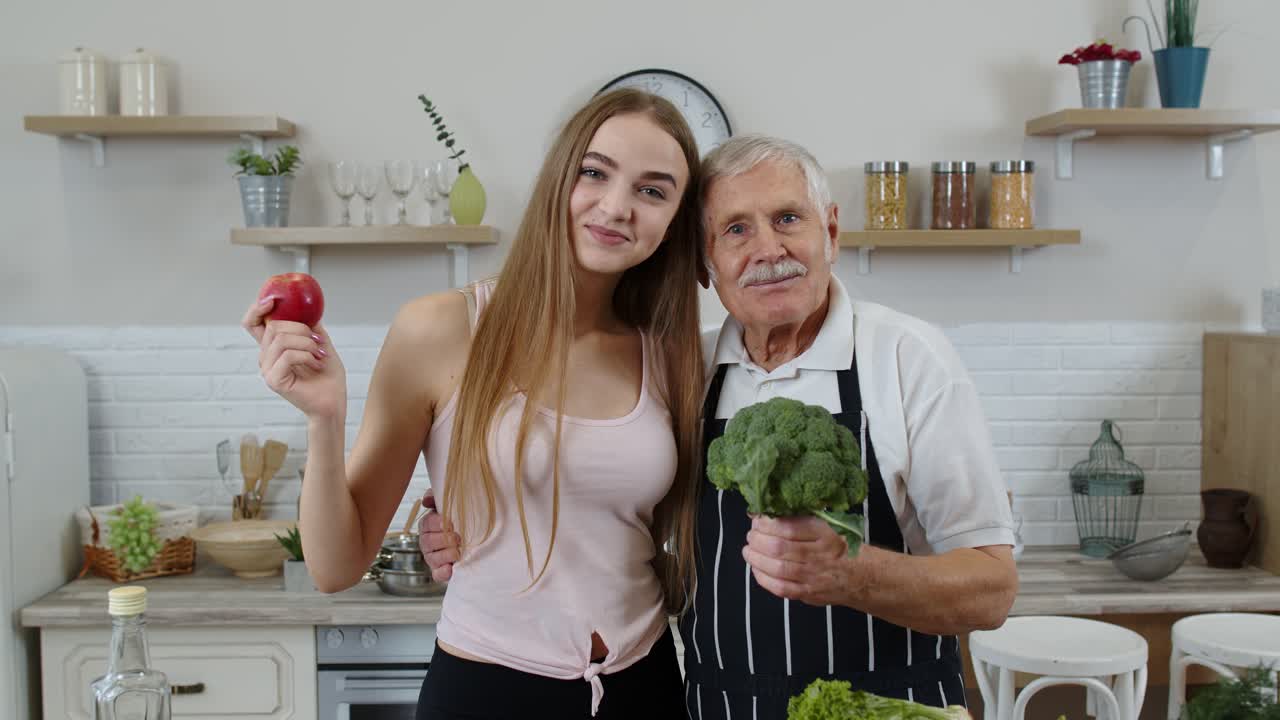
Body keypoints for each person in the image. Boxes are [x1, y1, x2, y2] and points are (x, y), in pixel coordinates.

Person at [421, 134, 1019, 718]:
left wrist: (851, 574)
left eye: (788, 218)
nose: (767, 249)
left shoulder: (906, 358)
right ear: (705, 267)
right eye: (735, 230)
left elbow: (993, 589)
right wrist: (470, 516)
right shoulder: (682, 368)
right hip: (717, 706)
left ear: (830, 232)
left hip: (889, 708)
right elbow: (609, 510)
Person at [241, 88, 707, 720]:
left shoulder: (673, 354)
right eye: (594, 173)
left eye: (653, 191)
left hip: (644, 688)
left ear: (676, 219)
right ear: (557, 179)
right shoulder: (441, 329)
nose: (617, 206)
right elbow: (335, 565)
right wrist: (324, 418)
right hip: (488, 693)